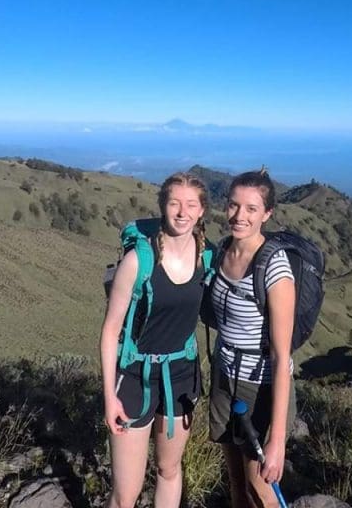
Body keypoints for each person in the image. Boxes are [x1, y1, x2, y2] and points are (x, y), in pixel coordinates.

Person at [100, 172, 213, 508]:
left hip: (181, 376)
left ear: (202, 211)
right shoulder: (139, 261)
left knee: (168, 469)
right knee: (126, 493)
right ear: (163, 206)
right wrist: (110, 397)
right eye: (174, 203)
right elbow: (109, 332)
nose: (182, 212)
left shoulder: (207, 258)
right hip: (134, 377)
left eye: (191, 204)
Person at [208, 169, 296, 508]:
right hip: (223, 377)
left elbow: (281, 356)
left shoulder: (274, 268)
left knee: (261, 489)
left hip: (260, 387)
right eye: (233, 205)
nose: (239, 216)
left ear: (267, 214)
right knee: (235, 480)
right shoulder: (222, 251)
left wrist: (277, 440)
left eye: (251, 209)